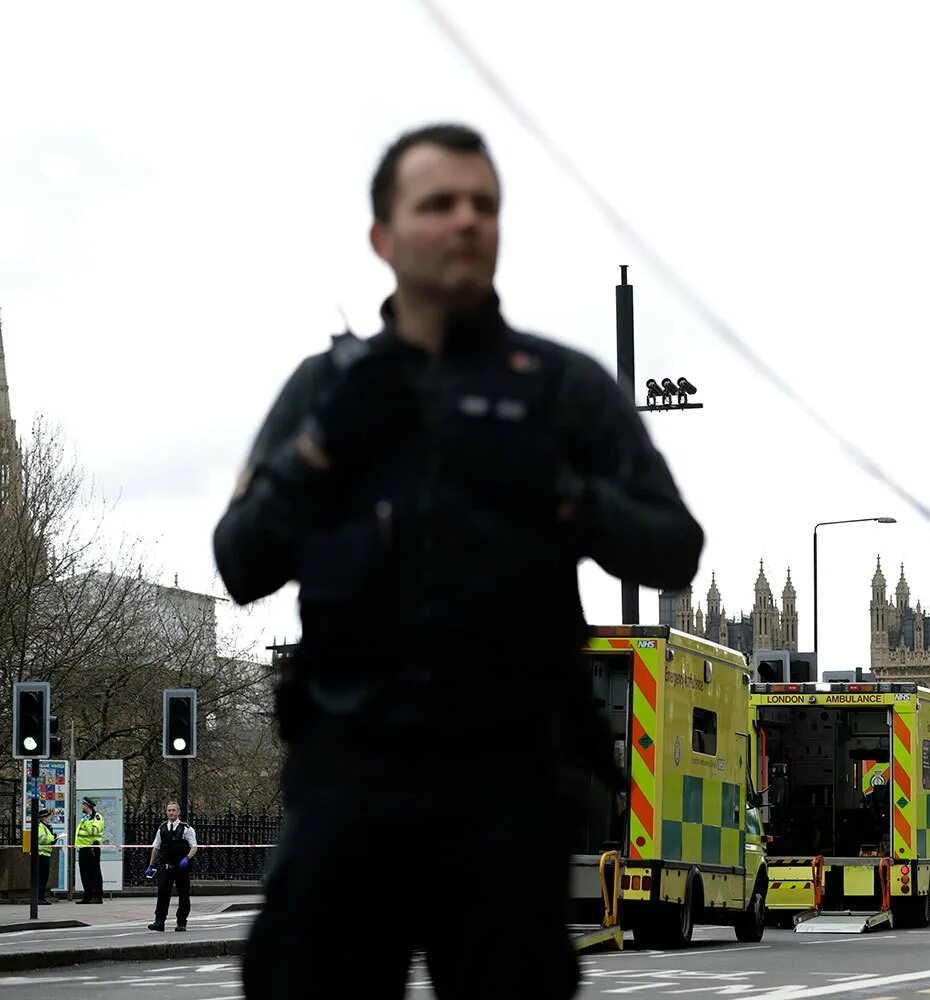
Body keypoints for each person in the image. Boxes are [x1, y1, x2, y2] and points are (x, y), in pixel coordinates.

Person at [214, 123, 703, 999]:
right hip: (350, 772)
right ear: (383, 238)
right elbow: (242, 561)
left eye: (485, 205)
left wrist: (561, 496)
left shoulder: (559, 389)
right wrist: (323, 450)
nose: (467, 222)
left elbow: (674, 547)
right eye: (438, 204)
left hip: (506, 783)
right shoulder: (328, 390)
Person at [145, 801, 198, 932]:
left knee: (183, 895)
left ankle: (181, 922)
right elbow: (156, 848)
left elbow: (194, 846)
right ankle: (159, 921)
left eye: (173, 810)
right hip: (166, 865)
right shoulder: (162, 828)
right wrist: (151, 865)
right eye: (169, 810)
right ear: (166, 812)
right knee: (162, 893)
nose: (171, 813)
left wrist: (187, 858)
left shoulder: (186, 828)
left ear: (178, 812)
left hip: (181, 866)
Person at [74, 798, 104, 903]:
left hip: (92, 847)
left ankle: (97, 897)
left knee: (94, 872)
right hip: (83, 848)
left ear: (87, 806)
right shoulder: (85, 818)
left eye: (83, 805)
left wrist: (87, 822)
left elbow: (94, 831)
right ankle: (87, 896)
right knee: (85, 873)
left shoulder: (97, 817)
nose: (82, 807)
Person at [34, 807, 59, 905]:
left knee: (43, 878)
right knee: (41, 878)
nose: (50, 818)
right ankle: (39, 898)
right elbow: (42, 839)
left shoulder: (45, 826)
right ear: (44, 818)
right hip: (41, 855)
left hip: (45, 855)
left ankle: (41, 898)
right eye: (49, 817)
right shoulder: (40, 826)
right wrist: (53, 838)